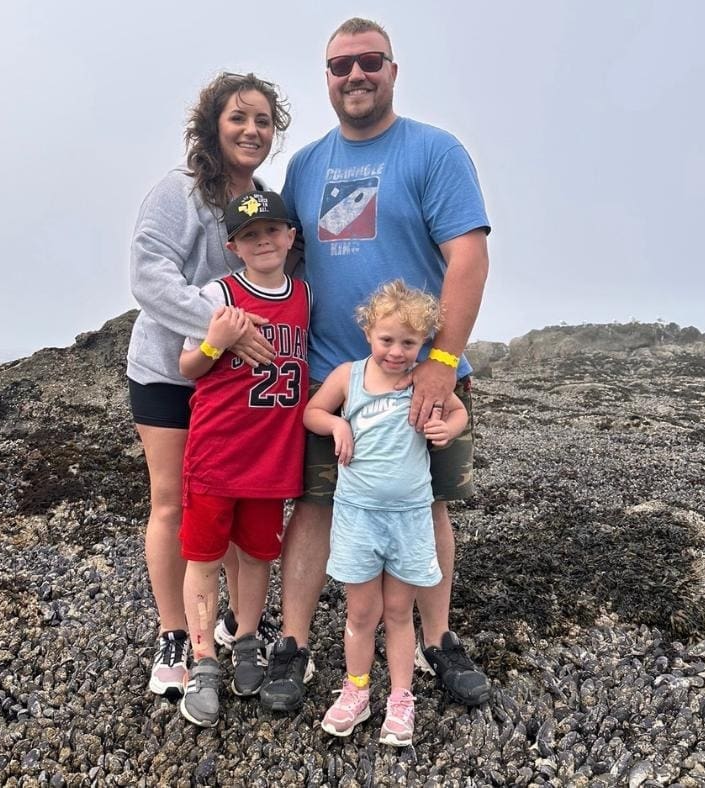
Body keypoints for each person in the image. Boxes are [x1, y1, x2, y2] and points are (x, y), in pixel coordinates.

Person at [260, 17, 492, 711]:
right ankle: (294, 645)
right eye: (340, 66)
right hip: (335, 376)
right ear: (327, 78)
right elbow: (282, 261)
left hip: (424, 373)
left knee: (430, 505)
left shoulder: (434, 152)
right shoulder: (304, 165)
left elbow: (469, 258)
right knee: (314, 504)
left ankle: (438, 639)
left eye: (369, 62)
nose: (355, 76)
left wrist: (442, 361)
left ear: (393, 70)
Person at [126, 73, 288, 700]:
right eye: (239, 118)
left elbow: (278, 282)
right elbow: (149, 277)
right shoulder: (180, 192)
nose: (252, 130)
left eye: (264, 121)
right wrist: (223, 328)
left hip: (236, 386)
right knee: (173, 502)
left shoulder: (267, 202)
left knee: (231, 497)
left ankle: (228, 623)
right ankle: (174, 633)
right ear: (213, 125)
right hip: (170, 372)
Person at [306, 280, 468, 746]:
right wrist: (336, 422)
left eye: (409, 343)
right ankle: (356, 691)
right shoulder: (348, 376)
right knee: (361, 612)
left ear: (424, 344)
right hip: (357, 515)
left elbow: (457, 413)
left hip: (410, 516)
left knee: (399, 612)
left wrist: (445, 429)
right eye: (387, 340)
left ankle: (401, 699)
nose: (397, 352)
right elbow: (311, 413)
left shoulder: (425, 379)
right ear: (368, 334)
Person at [176, 190, 310, 726]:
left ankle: (248, 639)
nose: (264, 241)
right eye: (251, 235)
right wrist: (216, 342)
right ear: (233, 245)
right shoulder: (219, 293)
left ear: (290, 237)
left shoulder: (303, 294)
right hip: (216, 454)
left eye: (273, 231)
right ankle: (204, 658)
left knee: (257, 556)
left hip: (272, 458)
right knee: (205, 556)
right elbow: (187, 366)